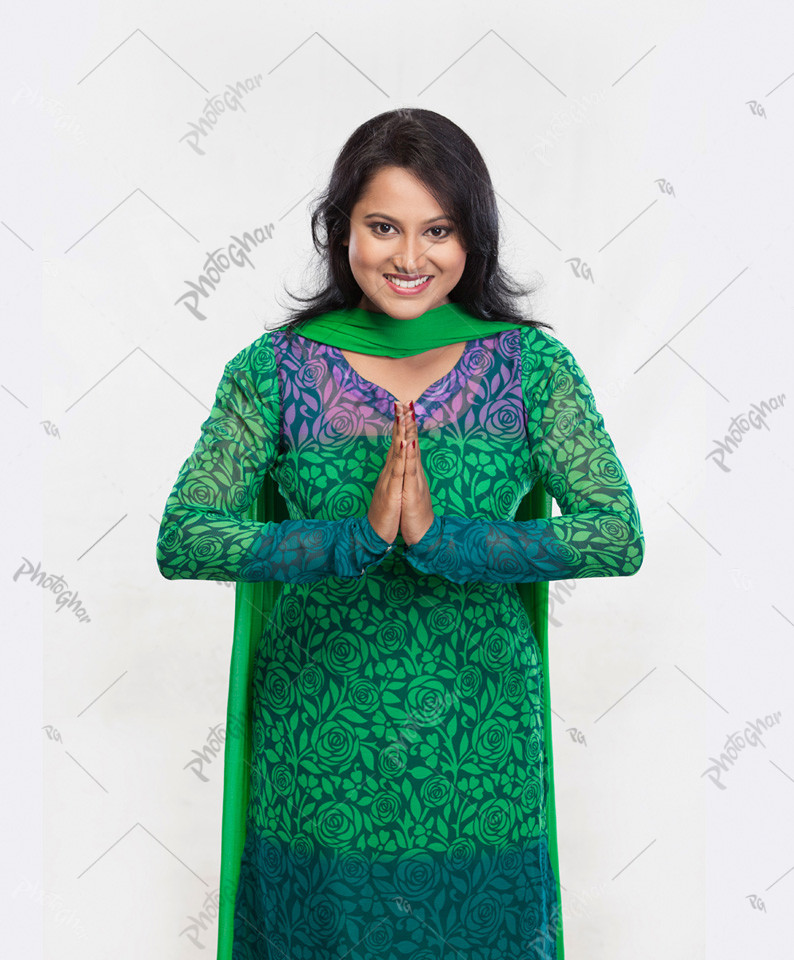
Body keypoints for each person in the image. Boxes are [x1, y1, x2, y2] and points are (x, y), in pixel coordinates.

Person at [156, 107, 645, 960]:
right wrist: (353, 538)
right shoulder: (274, 371)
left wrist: (448, 541)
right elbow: (186, 536)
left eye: (438, 230)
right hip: (322, 747)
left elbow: (616, 535)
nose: (410, 258)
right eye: (383, 227)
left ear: (473, 238)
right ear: (340, 226)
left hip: (479, 749)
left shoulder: (531, 367)